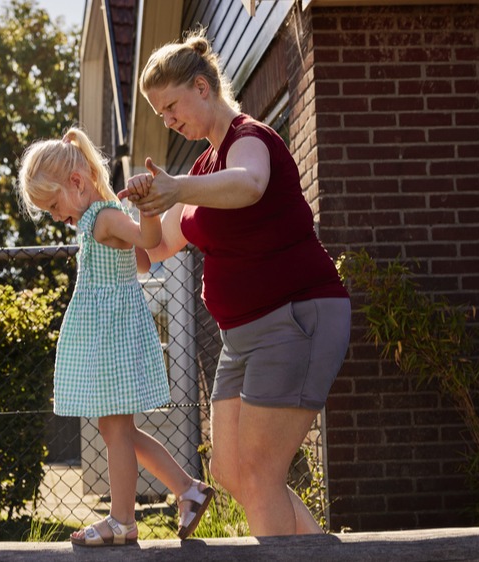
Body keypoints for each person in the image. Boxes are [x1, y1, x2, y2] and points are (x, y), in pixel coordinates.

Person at [120, 29, 352, 537]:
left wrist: (174, 186)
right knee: (229, 472)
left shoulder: (252, 139)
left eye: (171, 106)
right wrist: (125, 210)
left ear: (203, 88)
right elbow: (154, 250)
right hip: (242, 337)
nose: (168, 120)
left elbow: (250, 184)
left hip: (295, 319)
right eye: (160, 113)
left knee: (261, 474)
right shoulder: (204, 166)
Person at [16, 127, 215, 546]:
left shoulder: (104, 217)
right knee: (117, 431)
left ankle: (122, 521)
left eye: (53, 205)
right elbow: (141, 263)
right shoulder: (99, 217)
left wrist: (146, 207)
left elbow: (150, 240)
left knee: (116, 432)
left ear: (76, 182)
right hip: (110, 336)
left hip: (113, 338)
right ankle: (188, 490)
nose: (54, 215)